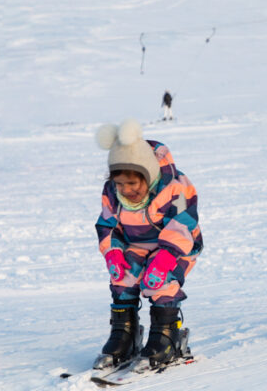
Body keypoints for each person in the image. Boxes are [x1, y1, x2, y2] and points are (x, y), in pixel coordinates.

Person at [95, 119, 202, 366]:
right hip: (135, 246)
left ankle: (166, 335)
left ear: (148, 174)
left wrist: (165, 257)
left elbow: (183, 222)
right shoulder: (112, 192)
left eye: (132, 183)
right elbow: (107, 224)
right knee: (122, 277)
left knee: (159, 280)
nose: (126, 189)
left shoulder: (174, 188)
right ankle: (124, 334)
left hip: (176, 249)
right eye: (120, 184)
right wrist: (113, 252)